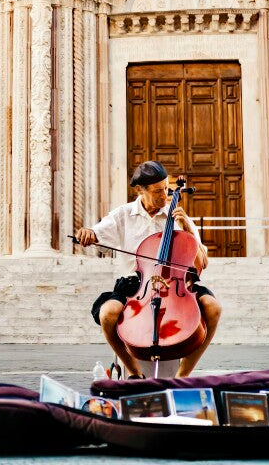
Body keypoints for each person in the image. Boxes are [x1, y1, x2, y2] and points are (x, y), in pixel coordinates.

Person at [75, 160, 221, 379]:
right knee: (107, 314)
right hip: (136, 286)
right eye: (157, 192)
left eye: (165, 189)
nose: (165, 196)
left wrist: (188, 228)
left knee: (213, 308)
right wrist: (88, 233)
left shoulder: (177, 217)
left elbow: (202, 262)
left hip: (174, 284)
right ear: (140, 191)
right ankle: (134, 372)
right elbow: (97, 233)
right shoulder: (122, 215)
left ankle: (182, 377)